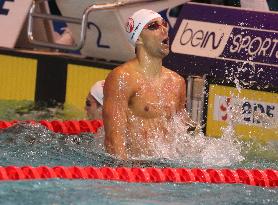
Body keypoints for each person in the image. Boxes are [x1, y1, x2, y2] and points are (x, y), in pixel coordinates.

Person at [103, 9, 193, 160]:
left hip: (165, 169)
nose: (164, 29)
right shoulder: (123, 78)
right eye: (153, 26)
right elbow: (113, 139)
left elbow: (181, 139)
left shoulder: (177, 82)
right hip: (134, 169)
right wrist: (125, 174)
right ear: (138, 39)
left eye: (164, 24)